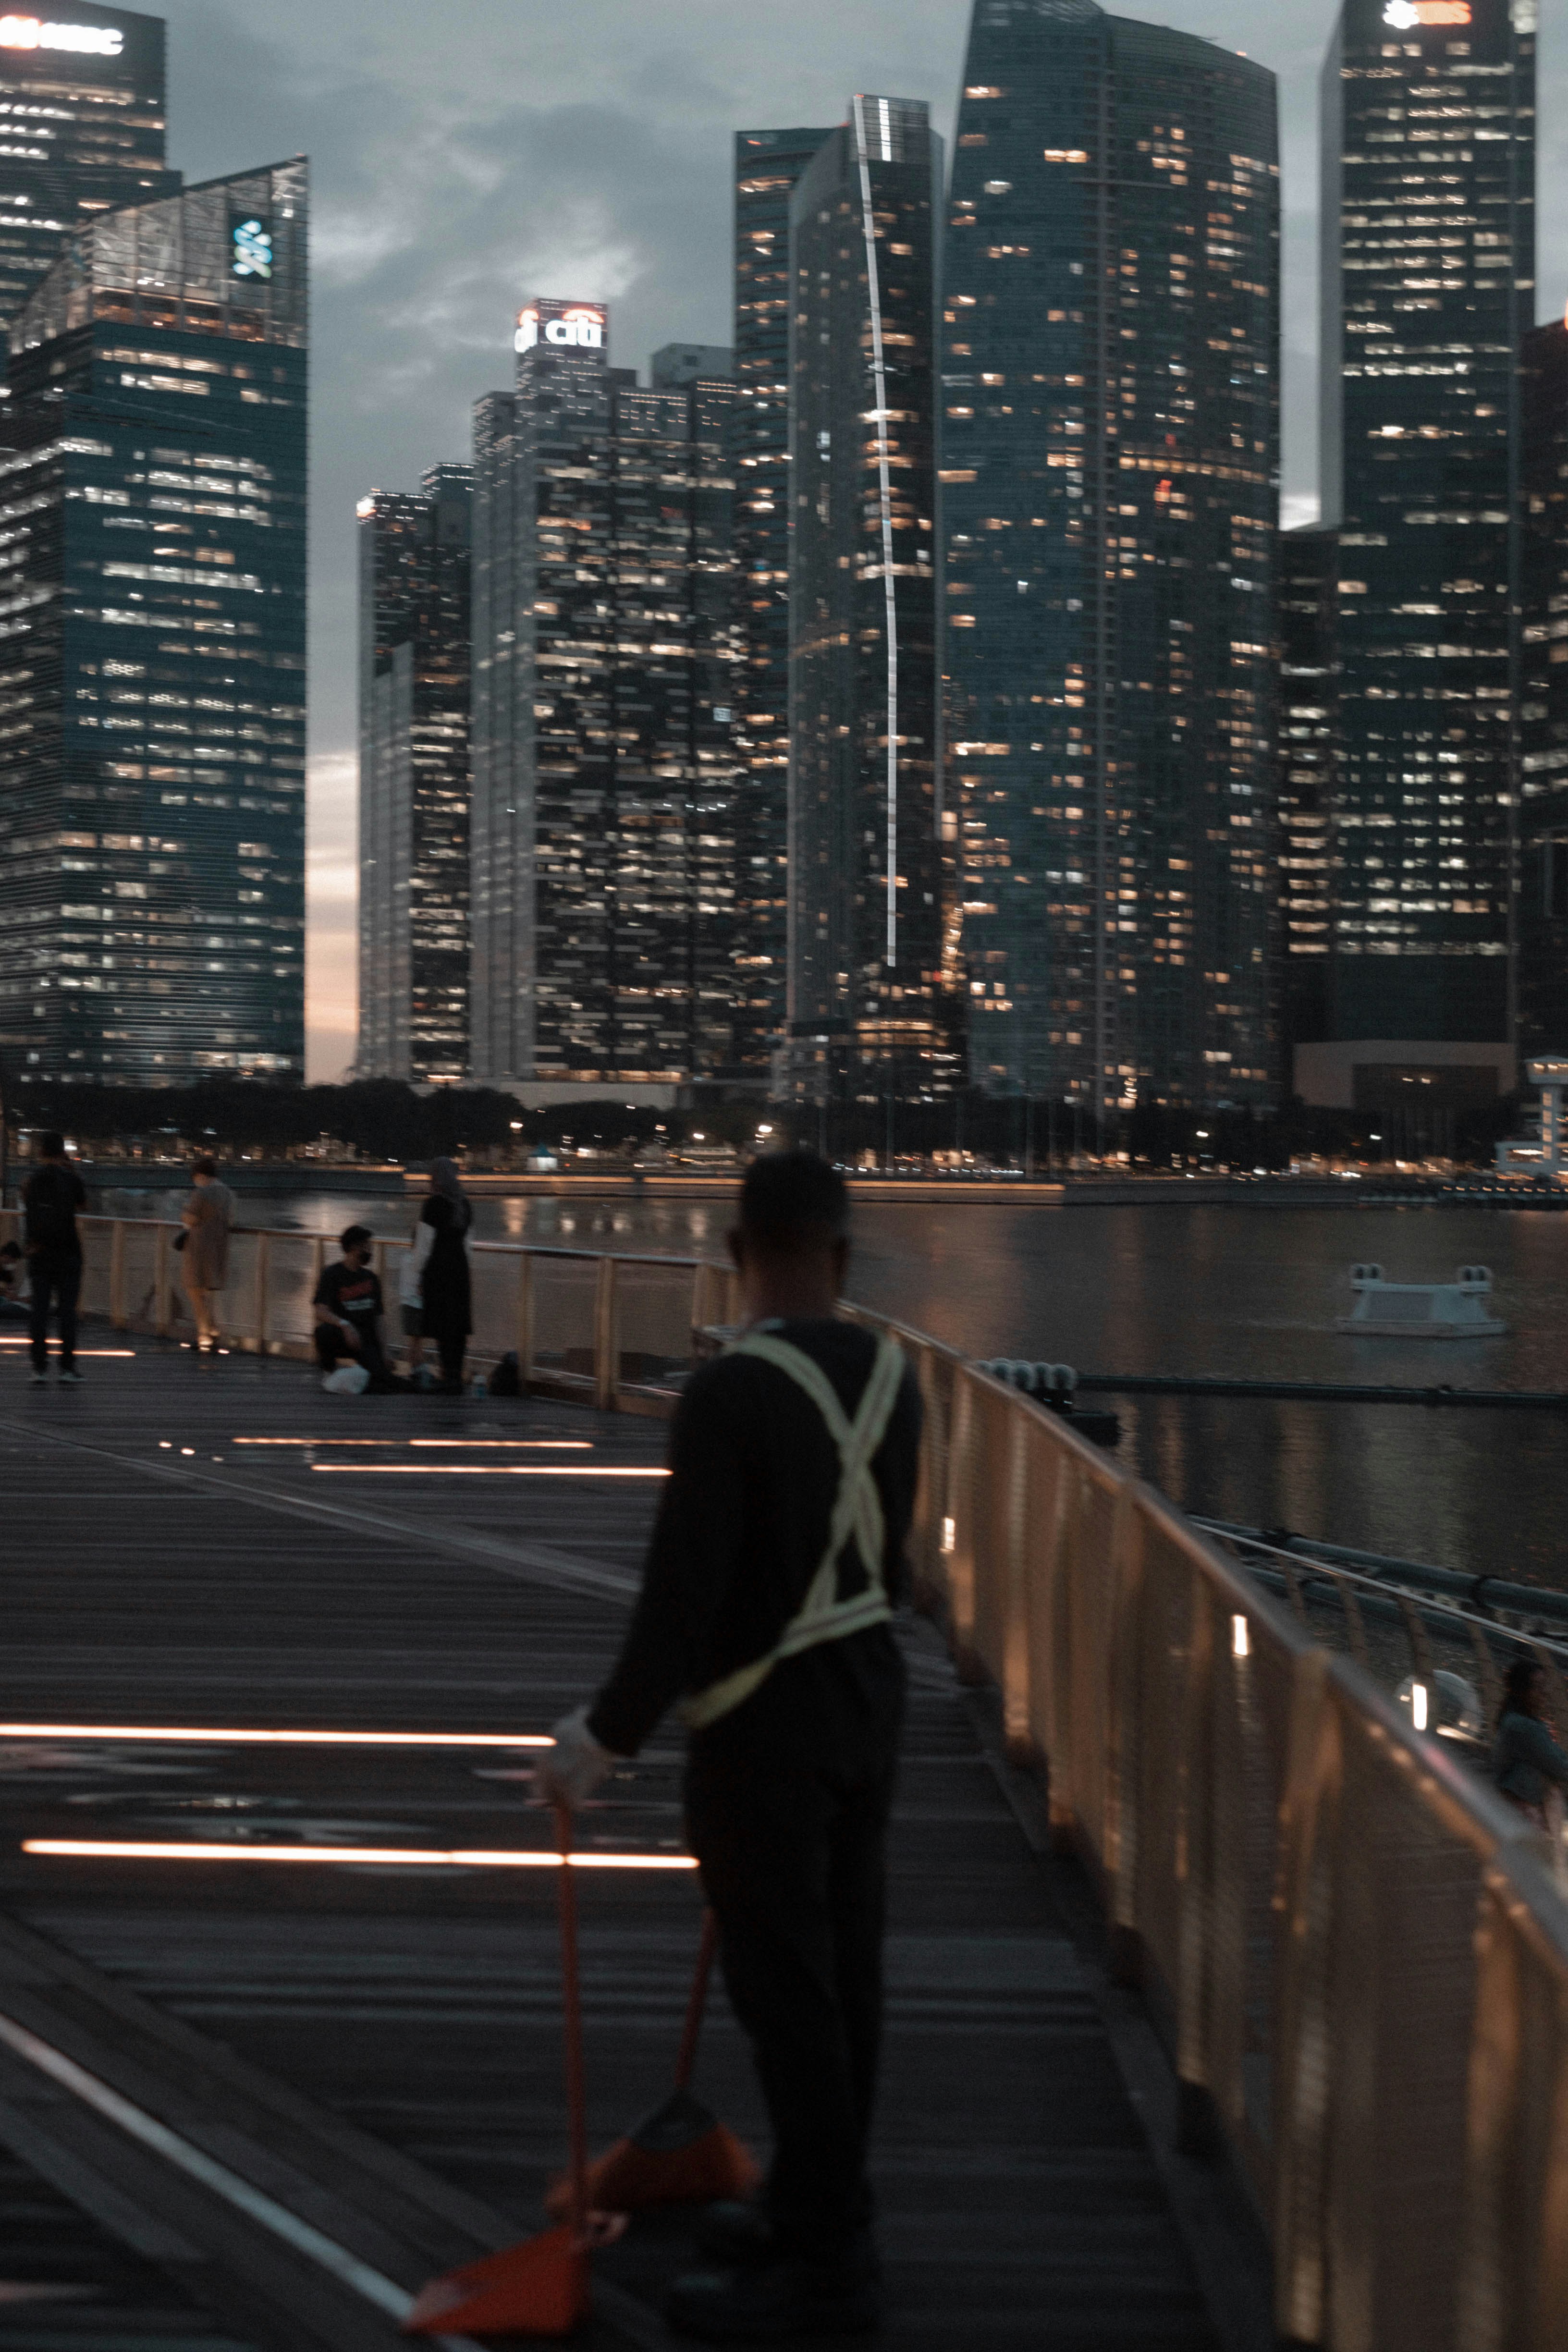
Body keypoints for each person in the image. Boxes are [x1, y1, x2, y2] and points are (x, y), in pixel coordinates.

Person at [539, 1150, 922, 2342]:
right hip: (870, 1699)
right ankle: (820, 2205)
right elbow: (883, 1561)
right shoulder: (896, 1376)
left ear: (732, 1250)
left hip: (763, 1725)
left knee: (786, 1990)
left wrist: (599, 1740)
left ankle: (827, 2262)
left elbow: (683, 1598)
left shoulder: (729, 1393)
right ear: (844, 1254)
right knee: (845, 1973)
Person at [401, 1157, 472, 1394]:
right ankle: (456, 1375)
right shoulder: (465, 1204)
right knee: (458, 1327)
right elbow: (468, 1244)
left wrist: (415, 1272)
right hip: (460, 1270)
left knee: (443, 1325)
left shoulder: (433, 1205)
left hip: (438, 1271)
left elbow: (423, 1246)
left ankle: (447, 1378)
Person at [23, 1134, 87, 1385]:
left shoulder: (31, 1181)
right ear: (62, 1152)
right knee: (67, 1312)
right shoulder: (71, 1179)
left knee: (39, 1311)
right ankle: (67, 1368)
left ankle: (39, 1368)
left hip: (39, 1253)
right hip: (68, 1252)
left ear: (41, 1153)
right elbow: (83, 1206)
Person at [312, 1225, 399, 1389]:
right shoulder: (332, 1275)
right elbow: (320, 1310)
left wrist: (385, 1351)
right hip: (344, 1336)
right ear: (353, 1247)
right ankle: (329, 1372)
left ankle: (363, 1376)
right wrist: (345, 1325)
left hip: (366, 1338)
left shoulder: (371, 1279)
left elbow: (379, 1318)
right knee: (323, 1332)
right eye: (366, 1246)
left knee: (384, 1380)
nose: (370, 1250)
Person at [1493, 1658, 1568, 1829]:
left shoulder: (1512, 1718)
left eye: (1545, 1686)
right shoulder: (1524, 1727)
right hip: (1526, 1808)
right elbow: (1560, 1765)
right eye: (1539, 1687)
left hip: (1516, 1799)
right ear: (1523, 1691)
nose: (1546, 1692)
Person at [180, 1156, 234, 1353]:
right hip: (219, 1246)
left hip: (199, 1247)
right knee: (207, 1292)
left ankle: (207, 1333)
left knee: (194, 1289)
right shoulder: (227, 1193)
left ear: (201, 1175)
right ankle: (210, 1331)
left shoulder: (202, 1192)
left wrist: (184, 1213)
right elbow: (231, 1220)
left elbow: (191, 1217)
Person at [0, 1238, 27, 1316]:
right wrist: (5, 1293)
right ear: (6, 1256)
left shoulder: (7, 1270)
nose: (12, 1264)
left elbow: (10, 1287)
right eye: (12, 1261)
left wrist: (9, 1293)